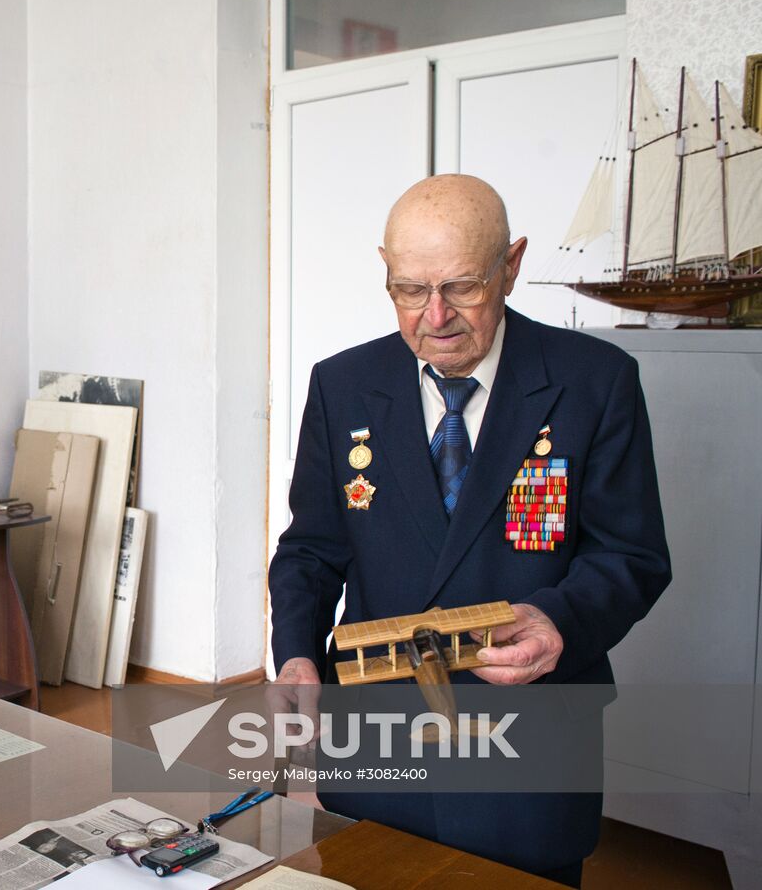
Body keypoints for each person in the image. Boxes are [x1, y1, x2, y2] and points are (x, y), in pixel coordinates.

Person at [268, 174, 670, 887]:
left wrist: (557, 617)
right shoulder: (342, 385)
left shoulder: (595, 381)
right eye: (409, 289)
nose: (435, 316)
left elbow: (630, 555)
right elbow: (311, 548)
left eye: (462, 287)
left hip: (530, 741)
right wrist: (298, 654)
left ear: (510, 266)